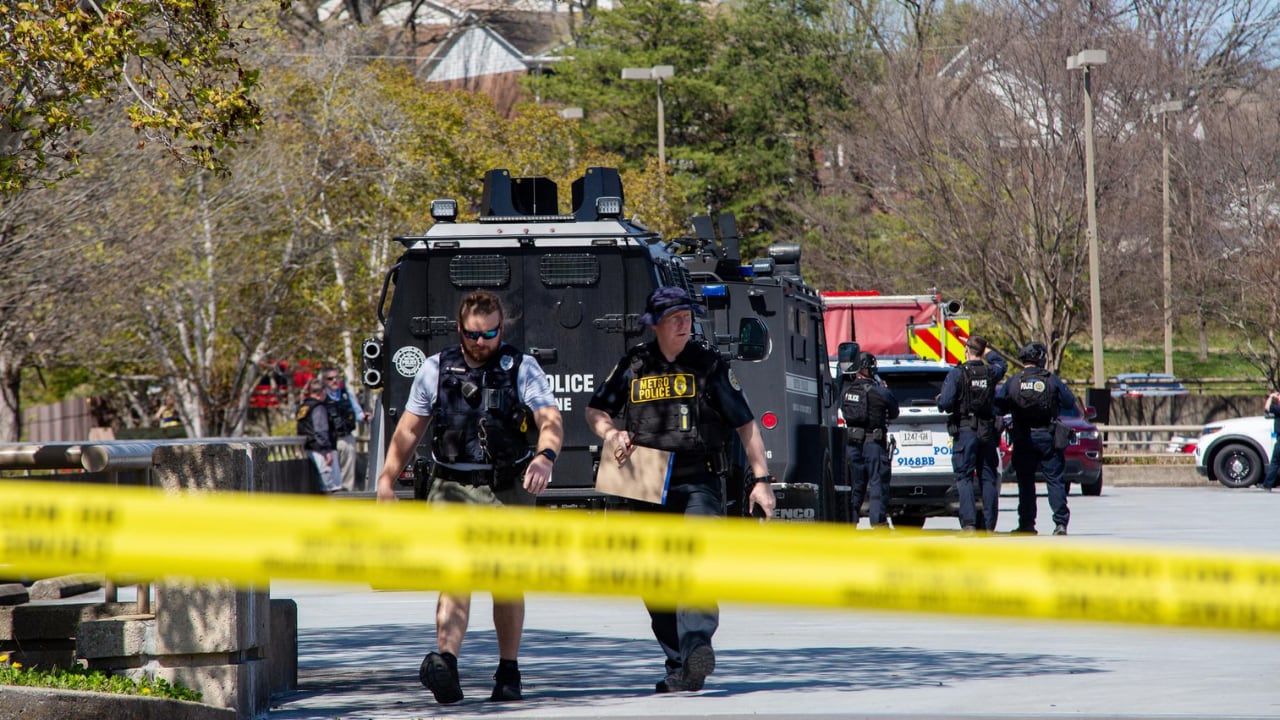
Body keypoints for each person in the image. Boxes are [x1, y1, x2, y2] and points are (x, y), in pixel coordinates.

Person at [584, 285, 776, 694]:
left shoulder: (708, 365)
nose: (683, 323)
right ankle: (681, 663)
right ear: (654, 324)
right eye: (674, 318)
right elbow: (596, 408)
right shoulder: (634, 364)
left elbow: (745, 423)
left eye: (687, 316)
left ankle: (696, 648)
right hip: (644, 480)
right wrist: (611, 432)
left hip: (698, 478)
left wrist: (761, 481)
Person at [374, 290, 563, 704]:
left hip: (506, 487)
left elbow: (549, 419)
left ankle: (508, 672)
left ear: (501, 328)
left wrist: (546, 457)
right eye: (474, 334)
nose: (482, 342)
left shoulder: (522, 367)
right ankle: (447, 665)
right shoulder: (435, 368)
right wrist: (387, 479)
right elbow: (409, 430)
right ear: (460, 329)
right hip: (452, 485)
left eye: (491, 333)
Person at [995, 341, 1077, 535]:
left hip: (1023, 437)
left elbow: (998, 406)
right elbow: (1069, 401)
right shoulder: (1051, 379)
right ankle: (1060, 523)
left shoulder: (1014, 381)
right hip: (1048, 436)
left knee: (1026, 483)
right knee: (1055, 481)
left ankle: (1026, 524)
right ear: (1040, 359)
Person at [936, 336, 1007, 533]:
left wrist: (941, 400)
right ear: (982, 351)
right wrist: (986, 351)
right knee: (988, 477)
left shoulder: (958, 374)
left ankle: (969, 524)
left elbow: (946, 403)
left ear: (967, 350)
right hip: (986, 430)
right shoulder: (990, 372)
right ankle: (989, 525)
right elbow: (1002, 363)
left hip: (966, 430)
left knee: (964, 477)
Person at [840, 350, 899, 527]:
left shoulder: (846, 390)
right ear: (867, 369)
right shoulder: (880, 392)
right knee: (877, 484)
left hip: (852, 444)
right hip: (874, 443)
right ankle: (878, 523)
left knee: (855, 486)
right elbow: (894, 413)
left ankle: (851, 522)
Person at [321, 367, 367, 492]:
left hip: (346, 438)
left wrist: (365, 417)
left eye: (337, 377)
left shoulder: (346, 394)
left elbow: (358, 413)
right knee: (331, 474)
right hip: (330, 440)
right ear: (324, 381)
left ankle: (348, 499)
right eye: (330, 379)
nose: (335, 381)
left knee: (348, 472)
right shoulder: (321, 396)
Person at [297, 378, 341, 493]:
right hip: (321, 451)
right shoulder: (318, 408)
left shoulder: (303, 407)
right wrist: (327, 451)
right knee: (330, 487)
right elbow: (321, 430)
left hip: (309, 448)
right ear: (322, 392)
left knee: (321, 486)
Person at [1259, 390, 1280, 491]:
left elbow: (1267, 408)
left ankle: (1267, 485)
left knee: (1275, 462)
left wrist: (1271, 397)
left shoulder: (1278, 409)